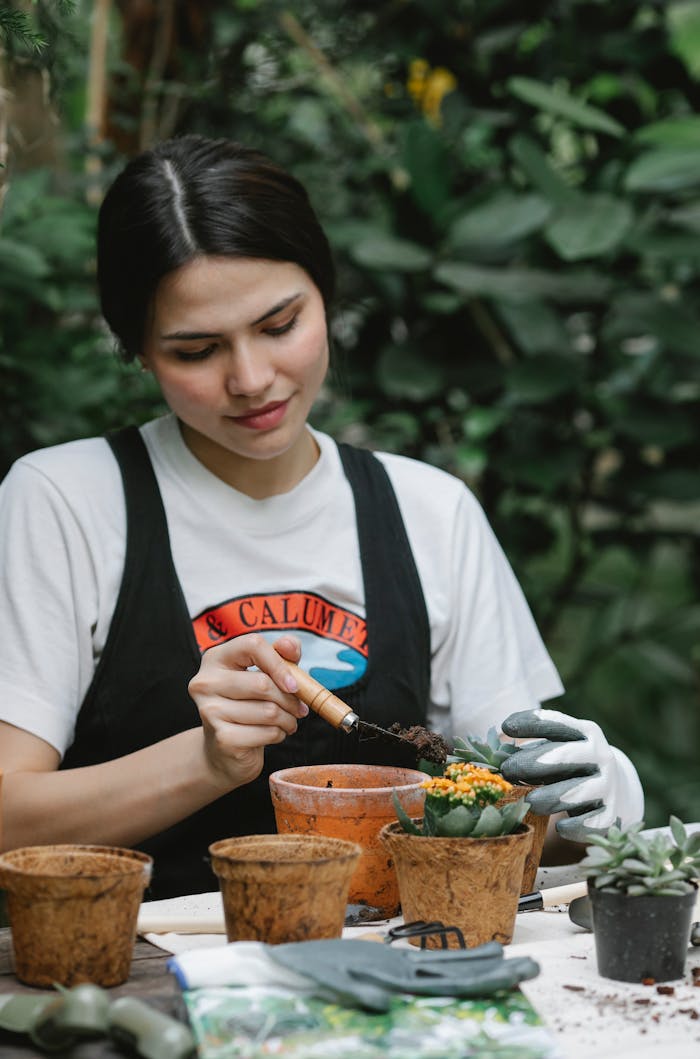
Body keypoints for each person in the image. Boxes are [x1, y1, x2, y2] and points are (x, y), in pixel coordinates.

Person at [0, 135, 643, 899]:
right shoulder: (66, 500)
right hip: (141, 980)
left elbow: (514, 803)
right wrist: (205, 761)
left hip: (405, 965)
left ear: (326, 294)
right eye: (196, 350)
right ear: (139, 351)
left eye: (279, 325)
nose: (251, 378)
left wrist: (592, 796)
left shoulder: (429, 512)